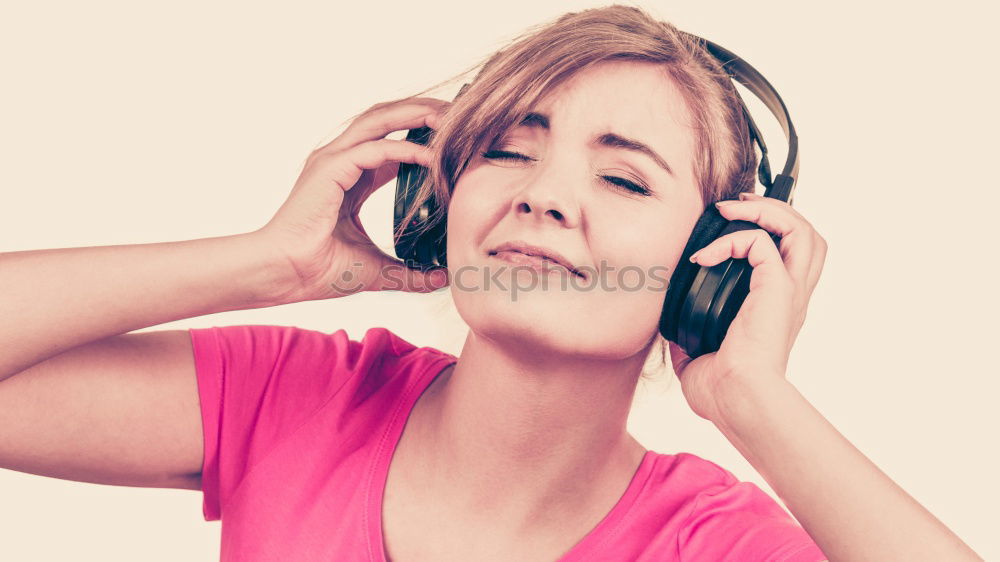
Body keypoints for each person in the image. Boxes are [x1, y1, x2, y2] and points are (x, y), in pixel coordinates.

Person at [0, 5, 982, 561]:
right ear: (438, 201)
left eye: (624, 175)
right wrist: (274, 262)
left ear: (705, 263)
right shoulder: (300, 399)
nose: (546, 197)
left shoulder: (704, 542)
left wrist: (752, 399)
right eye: (508, 153)